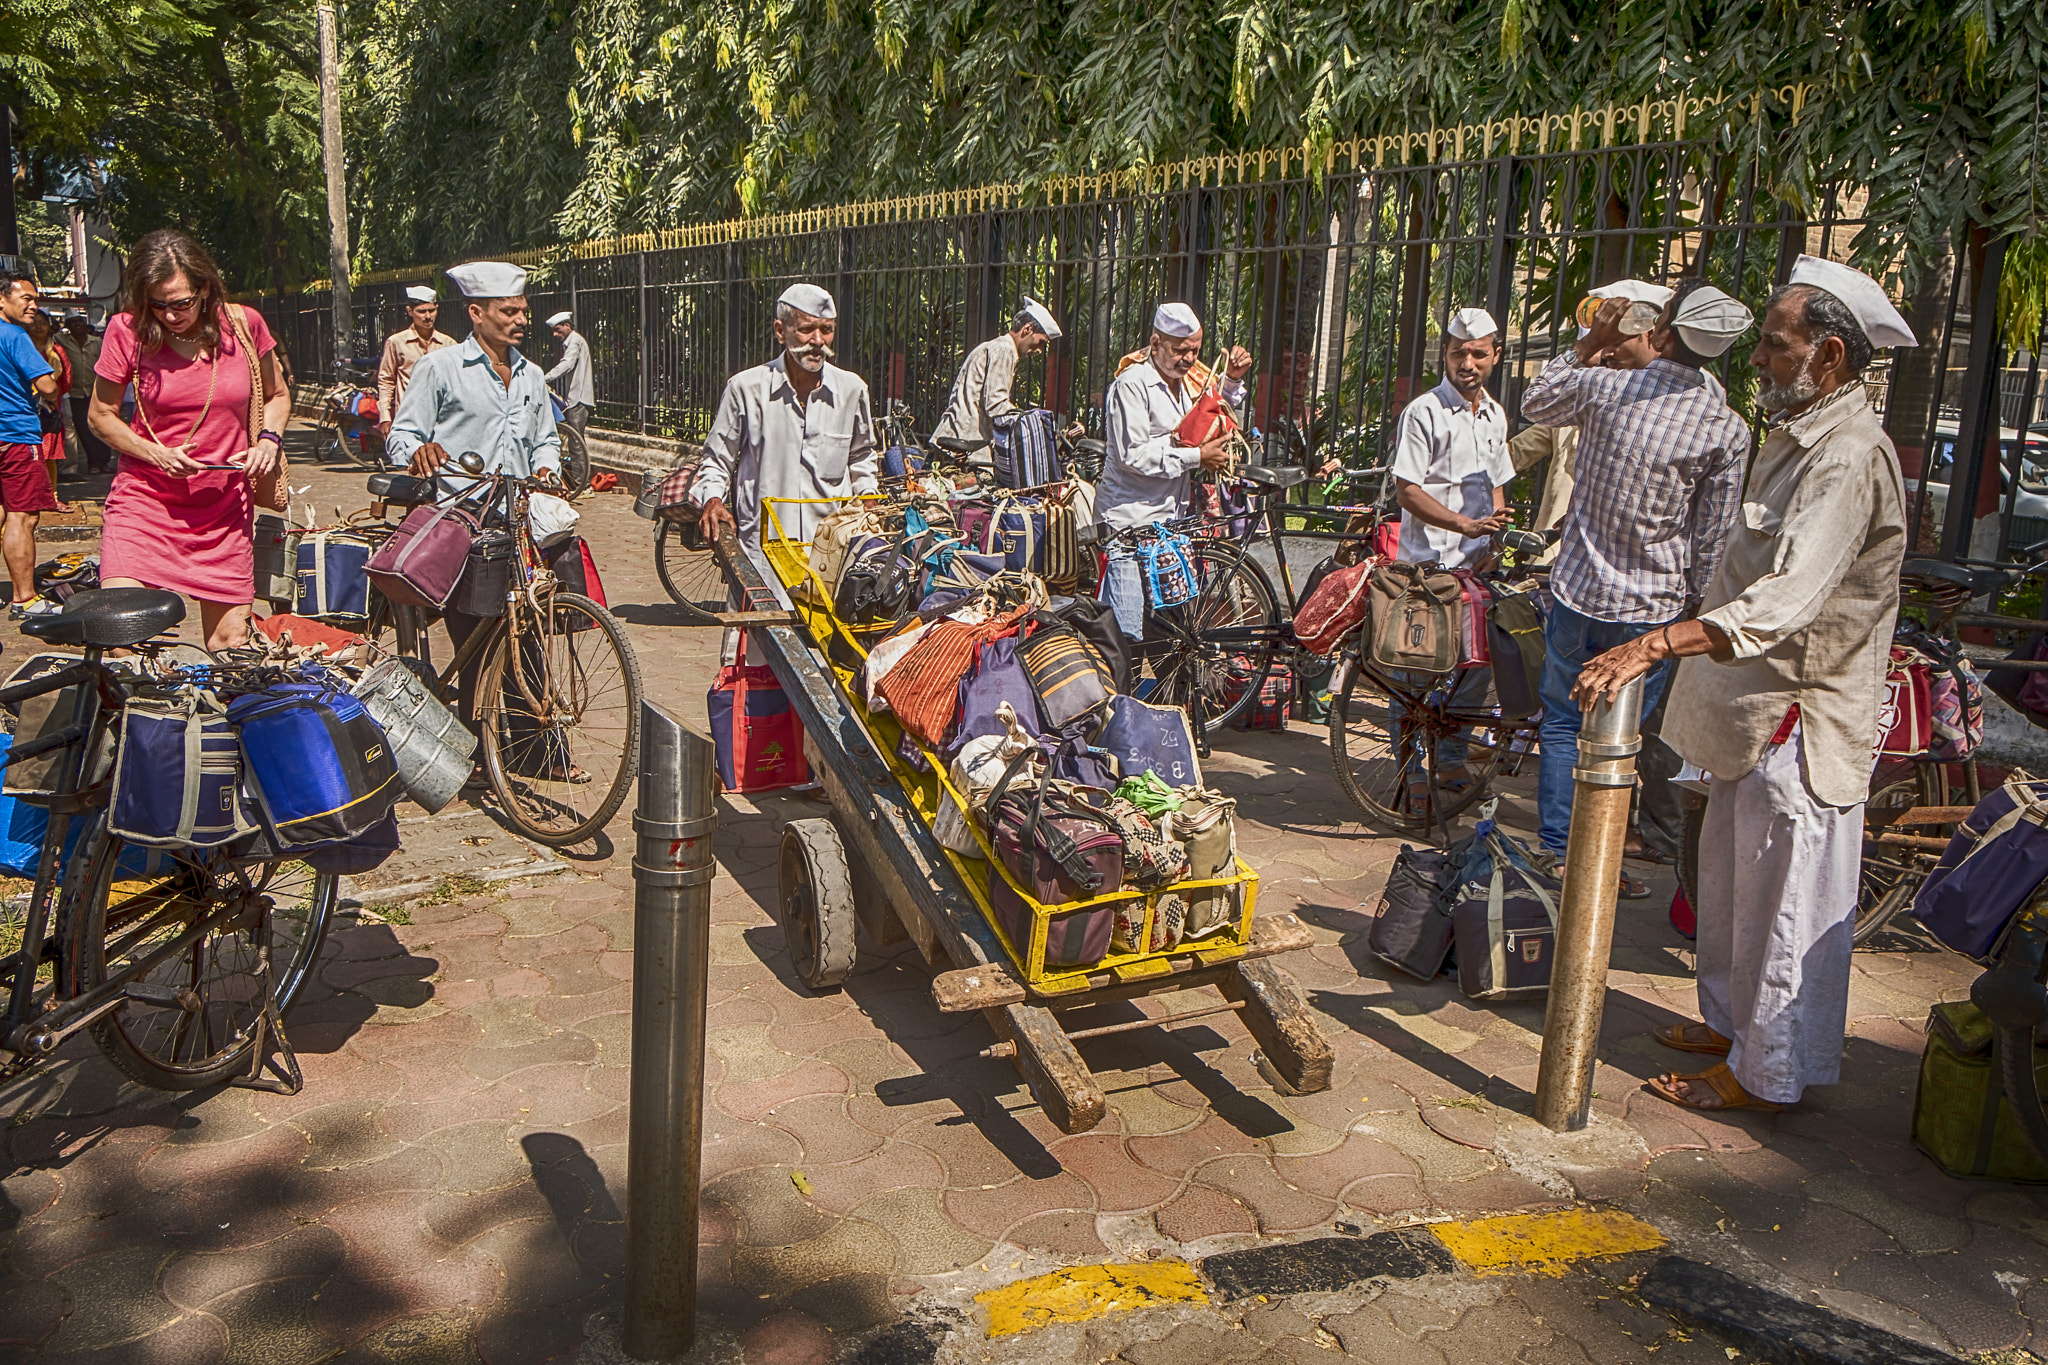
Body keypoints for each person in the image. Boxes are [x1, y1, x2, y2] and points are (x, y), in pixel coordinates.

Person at [1572, 256, 1916, 1113]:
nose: (1756, 357)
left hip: (1798, 724)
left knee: (1781, 912)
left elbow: (1786, 599)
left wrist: (1654, 643)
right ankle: (1731, 1028)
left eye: (1774, 342)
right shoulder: (1799, 432)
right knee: (1729, 892)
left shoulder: (1846, 457)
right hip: (1747, 718)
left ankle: (1765, 1074)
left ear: (1829, 356)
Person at [1517, 278, 1752, 893]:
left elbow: (1536, 403)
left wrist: (1593, 339)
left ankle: (1559, 849)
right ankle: (1598, 860)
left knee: (1565, 722)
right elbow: (1713, 535)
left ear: (1664, 331)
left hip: (1577, 591)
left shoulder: (1605, 387)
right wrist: (1698, 609)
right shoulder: (1725, 427)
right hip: (1653, 610)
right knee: (1618, 737)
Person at [385, 261, 565, 756]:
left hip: (521, 521)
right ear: (477, 313)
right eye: (509, 311)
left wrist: (547, 468)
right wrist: (419, 452)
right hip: (462, 522)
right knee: (476, 639)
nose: (520, 320)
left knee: (527, 630)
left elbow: (546, 439)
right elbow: (403, 435)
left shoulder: (530, 375)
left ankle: (534, 752)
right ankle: (475, 749)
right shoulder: (440, 368)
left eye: (523, 311)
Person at [85, 230, 289, 648]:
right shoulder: (128, 331)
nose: (171, 315)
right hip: (146, 504)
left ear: (205, 288)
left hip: (223, 510)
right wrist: (155, 454)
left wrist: (268, 441)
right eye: (158, 305)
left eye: (182, 303)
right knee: (124, 631)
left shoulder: (243, 324)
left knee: (230, 642)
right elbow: (99, 415)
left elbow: (278, 395)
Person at [1381, 307, 1516, 798]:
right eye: (1459, 352)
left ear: (1494, 357)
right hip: (1427, 568)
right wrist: (1463, 524)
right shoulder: (1424, 412)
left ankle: (1453, 757)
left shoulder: (1495, 414)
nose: (1468, 362)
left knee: (1473, 668)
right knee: (1416, 671)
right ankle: (1412, 769)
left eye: (1479, 353)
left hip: (1475, 566)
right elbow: (1408, 490)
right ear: (1445, 354)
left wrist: (1492, 539)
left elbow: (1497, 485)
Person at [1096, 302, 1253, 639]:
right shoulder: (1132, 385)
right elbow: (1132, 455)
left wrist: (1233, 379)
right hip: (1129, 523)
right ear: (1155, 344)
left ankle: (1168, 692)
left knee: (1174, 635)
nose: (1190, 358)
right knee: (1125, 636)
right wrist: (1197, 457)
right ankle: (1120, 691)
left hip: (1169, 526)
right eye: (1180, 350)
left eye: (1195, 350)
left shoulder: (1188, 380)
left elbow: (1208, 410)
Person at [695, 283, 878, 560]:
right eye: (806, 329)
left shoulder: (852, 390)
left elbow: (861, 455)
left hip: (831, 552)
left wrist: (868, 496)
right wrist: (713, 499)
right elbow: (717, 459)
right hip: (763, 550)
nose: (818, 340)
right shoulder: (746, 389)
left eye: (826, 330)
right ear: (781, 331)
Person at [930, 297, 1062, 467]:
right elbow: (996, 405)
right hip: (968, 442)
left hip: (957, 434)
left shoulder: (996, 347)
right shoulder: (1004, 350)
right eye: (1041, 342)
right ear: (1027, 329)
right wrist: (1033, 423)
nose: (1039, 350)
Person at [0, 273, 61, 619]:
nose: (33, 305)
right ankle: (24, 598)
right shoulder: (14, 336)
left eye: (35, 299)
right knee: (22, 517)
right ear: (1, 299)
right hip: (16, 435)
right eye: (25, 298)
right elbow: (48, 387)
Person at [376, 284, 455, 441]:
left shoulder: (449, 344)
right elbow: (386, 380)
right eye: (421, 311)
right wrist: (385, 416)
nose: (427, 316)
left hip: (441, 420)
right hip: (408, 418)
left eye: (431, 310)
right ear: (410, 311)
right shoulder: (396, 342)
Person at [25, 312, 72, 509]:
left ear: (49, 326)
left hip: (50, 409)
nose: (38, 327)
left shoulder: (57, 351)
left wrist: (50, 396)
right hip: (24, 408)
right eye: (34, 323)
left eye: (42, 323)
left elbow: (67, 380)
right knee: (25, 454)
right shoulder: (22, 348)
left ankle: (52, 497)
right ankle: (29, 497)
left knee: (49, 455)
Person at [55, 312, 112, 474]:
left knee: (102, 427)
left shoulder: (97, 342)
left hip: (96, 391)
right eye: (72, 322)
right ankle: (93, 462)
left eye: (79, 321)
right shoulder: (63, 341)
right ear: (67, 326)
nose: (77, 324)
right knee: (83, 429)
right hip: (76, 393)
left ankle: (104, 461)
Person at [544, 311, 593, 443]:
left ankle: (580, 465)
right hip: (574, 397)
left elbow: (567, 365)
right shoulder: (571, 342)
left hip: (578, 399)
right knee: (575, 441)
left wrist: (544, 378)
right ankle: (577, 464)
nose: (555, 334)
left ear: (567, 325)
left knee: (576, 442)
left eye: (557, 330)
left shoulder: (575, 341)